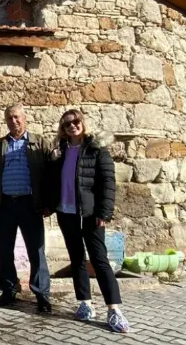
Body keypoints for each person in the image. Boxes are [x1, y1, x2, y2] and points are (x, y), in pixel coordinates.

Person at [46, 109, 129, 333]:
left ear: (83, 123)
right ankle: (85, 303)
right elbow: (53, 181)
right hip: (66, 212)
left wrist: (105, 212)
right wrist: (50, 204)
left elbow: (108, 183)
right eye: (66, 124)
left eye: (75, 122)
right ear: (62, 129)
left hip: (90, 213)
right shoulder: (60, 151)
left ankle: (114, 309)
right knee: (76, 258)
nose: (72, 126)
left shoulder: (96, 149)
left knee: (99, 258)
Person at [0, 104, 53, 313]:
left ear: (24, 118)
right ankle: (8, 290)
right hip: (6, 204)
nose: (13, 121)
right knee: (5, 251)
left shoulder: (39, 143)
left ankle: (42, 294)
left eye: (16, 117)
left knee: (36, 250)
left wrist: (48, 204)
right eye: (9, 118)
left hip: (30, 204)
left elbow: (50, 174)